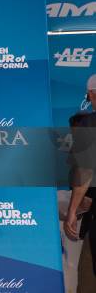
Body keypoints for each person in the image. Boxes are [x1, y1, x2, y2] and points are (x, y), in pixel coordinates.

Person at [64, 74, 96, 293]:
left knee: (88, 275)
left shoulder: (89, 123)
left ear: (92, 94)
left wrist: (72, 211)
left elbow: (85, 170)